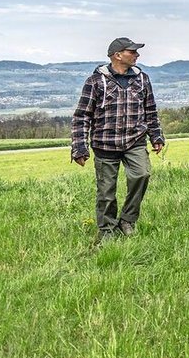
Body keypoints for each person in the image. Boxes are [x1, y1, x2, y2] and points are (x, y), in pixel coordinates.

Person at [71, 36, 166, 244]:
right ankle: (106, 229)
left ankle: (127, 220)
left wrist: (156, 136)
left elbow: (150, 110)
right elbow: (82, 116)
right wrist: (79, 147)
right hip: (105, 143)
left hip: (135, 140)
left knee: (142, 174)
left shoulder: (143, 79)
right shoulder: (95, 81)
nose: (137, 55)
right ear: (117, 55)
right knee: (106, 191)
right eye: (132, 52)